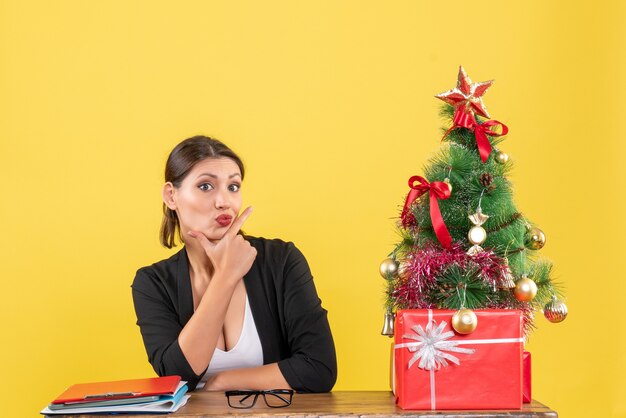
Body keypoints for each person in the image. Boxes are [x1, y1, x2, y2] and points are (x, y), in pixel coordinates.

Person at [131, 136, 337, 392]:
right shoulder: (152, 283)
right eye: (206, 186)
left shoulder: (281, 260)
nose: (224, 201)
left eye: (233, 186)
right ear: (171, 196)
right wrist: (226, 277)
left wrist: (223, 382)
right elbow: (178, 374)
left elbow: (319, 369)